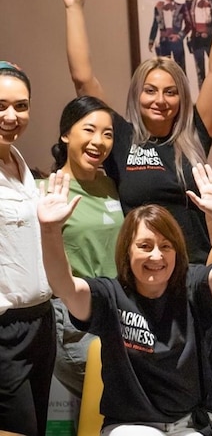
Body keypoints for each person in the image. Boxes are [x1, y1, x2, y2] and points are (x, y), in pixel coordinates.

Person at [38, 164, 212, 436]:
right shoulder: (110, 295)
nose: (156, 256)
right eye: (145, 246)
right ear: (126, 251)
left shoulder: (192, 286)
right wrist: (50, 231)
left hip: (190, 424)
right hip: (130, 427)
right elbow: (64, 286)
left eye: (165, 246)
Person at [61, 0, 212, 264]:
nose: (160, 100)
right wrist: (74, 7)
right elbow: (82, 78)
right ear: (136, 95)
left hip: (193, 271)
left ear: (181, 99)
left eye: (171, 92)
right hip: (138, 273)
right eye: (150, 91)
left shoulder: (194, 134)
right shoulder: (119, 137)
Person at [50, 96, 124, 399]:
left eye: (107, 134)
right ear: (66, 134)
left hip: (117, 310)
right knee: (113, 393)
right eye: (89, 130)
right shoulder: (48, 190)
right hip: (73, 317)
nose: (99, 142)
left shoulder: (109, 186)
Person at [0, 61, 55, 436]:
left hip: (40, 322)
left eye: (21, 105)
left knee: (35, 428)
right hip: (4, 327)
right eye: (1, 104)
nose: (11, 115)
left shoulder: (20, 165)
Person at [185, 0, 212, 90]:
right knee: (199, 67)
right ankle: (202, 93)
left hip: (210, 37)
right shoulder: (190, 3)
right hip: (197, 38)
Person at [148, 0, 190, 73]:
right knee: (164, 69)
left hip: (177, 41)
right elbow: (155, 24)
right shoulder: (158, 8)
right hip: (163, 41)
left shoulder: (181, 7)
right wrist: (151, 40)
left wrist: (179, 36)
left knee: (180, 69)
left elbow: (189, 24)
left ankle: (182, 87)